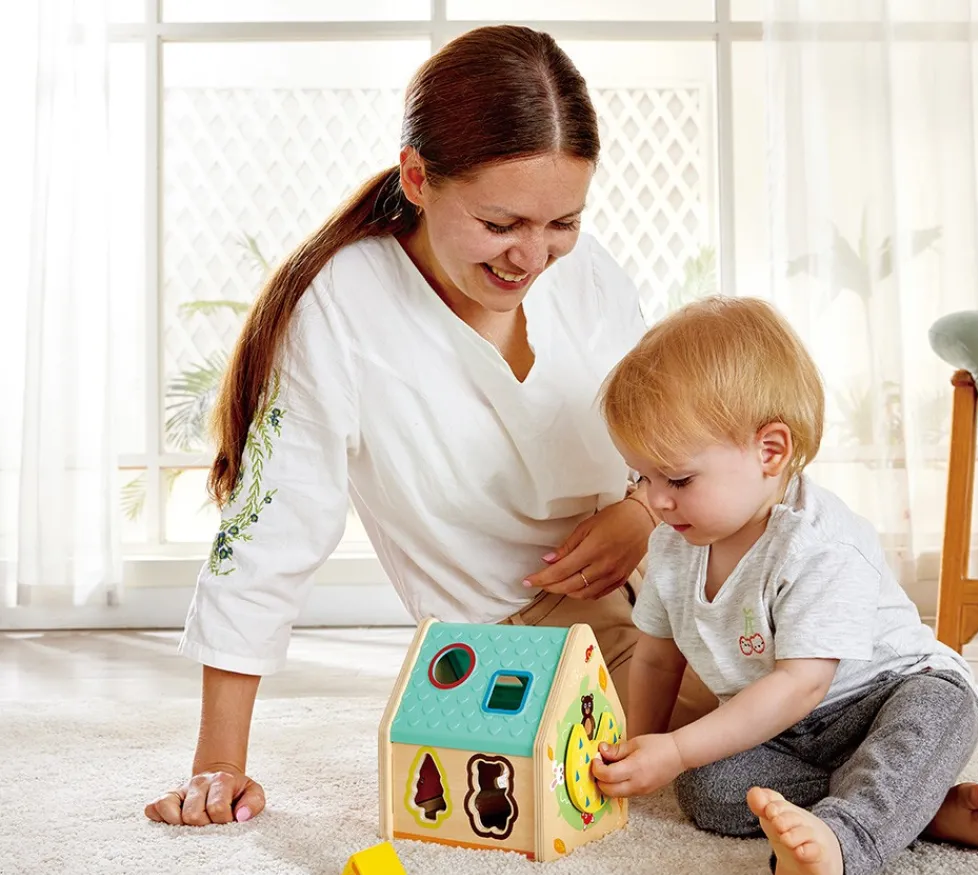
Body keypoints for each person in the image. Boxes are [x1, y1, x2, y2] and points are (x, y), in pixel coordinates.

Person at [144, 25, 716, 827]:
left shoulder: (586, 273)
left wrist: (640, 512)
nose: (533, 257)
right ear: (417, 177)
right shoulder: (341, 308)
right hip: (530, 640)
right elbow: (271, 533)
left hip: (682, 554)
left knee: (826, 642)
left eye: (562, 223)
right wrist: (219, 764)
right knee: (754, 730)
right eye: (501, 225)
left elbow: (667, 432)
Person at [593, 296, 978, 875]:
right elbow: (655, 657)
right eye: (640, 478)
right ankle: (918, 808)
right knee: (706, 787)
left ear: (771, 451)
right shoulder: (674, 546)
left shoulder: (817, 543)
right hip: (788, 734)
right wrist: (642, 748)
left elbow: (802, 684)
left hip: (886, 694)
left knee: (935, 714)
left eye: (676, 479)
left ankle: (843, 846)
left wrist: (675, 747)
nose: (656, 500)